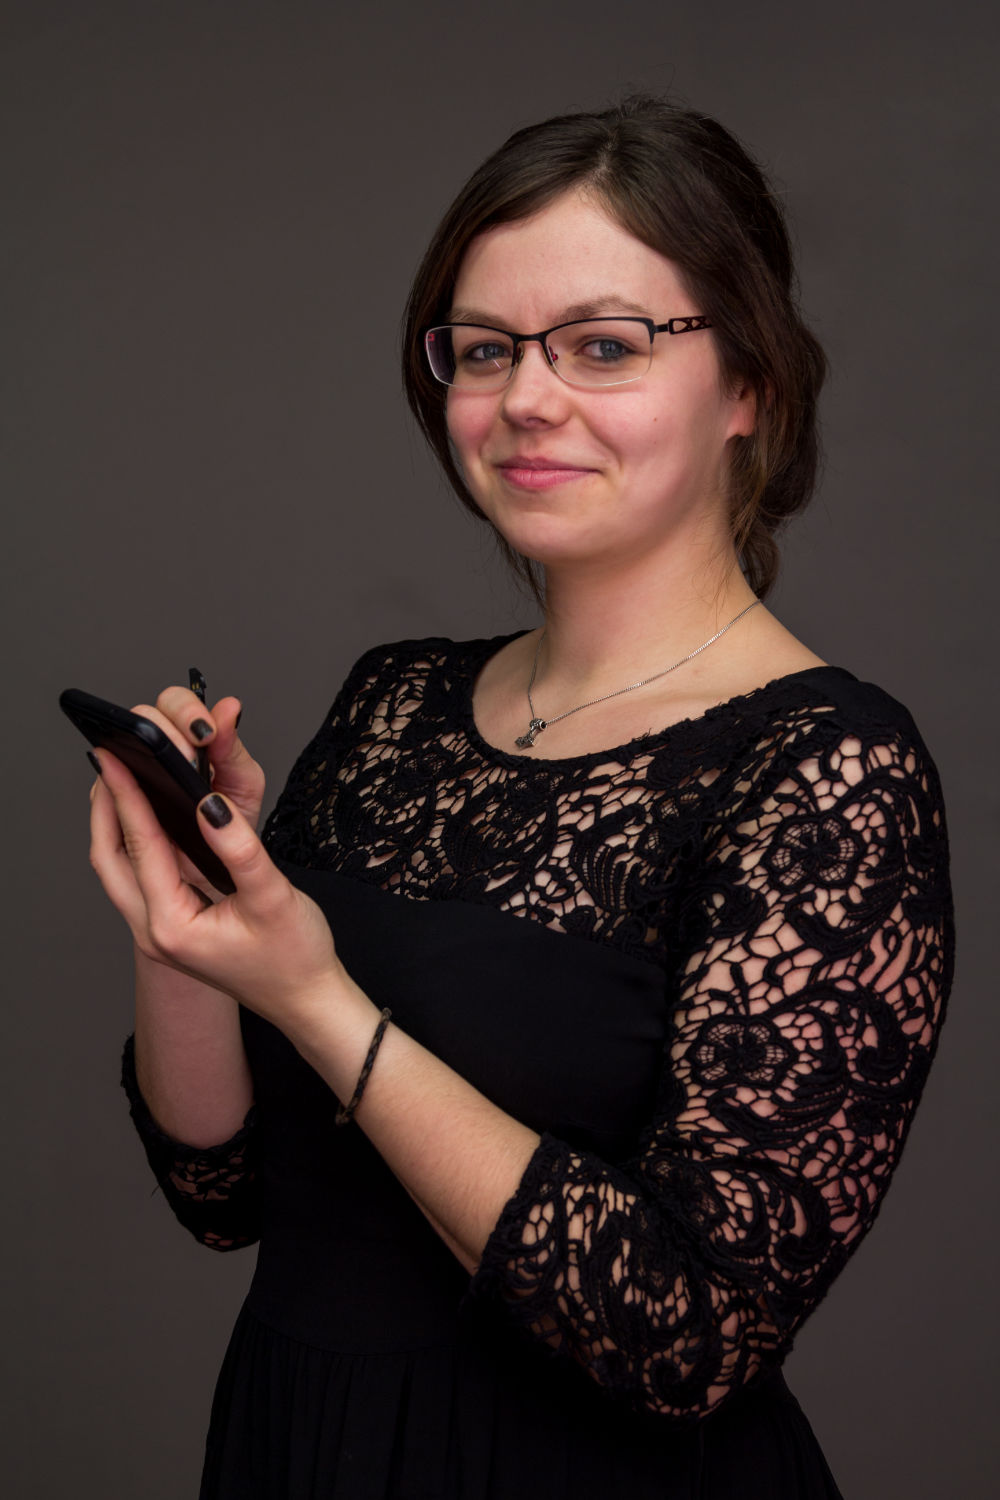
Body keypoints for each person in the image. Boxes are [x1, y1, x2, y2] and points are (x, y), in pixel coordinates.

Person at [87, 97, 953, 1498]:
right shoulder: (394, 702)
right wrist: (184, 914)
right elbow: (223, 1198)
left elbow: (688, 1338)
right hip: (301, 1446)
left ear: (750, 387)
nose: (525, 400)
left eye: (603, 345)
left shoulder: (828, 770)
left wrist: (317, 999)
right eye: (485, 349)